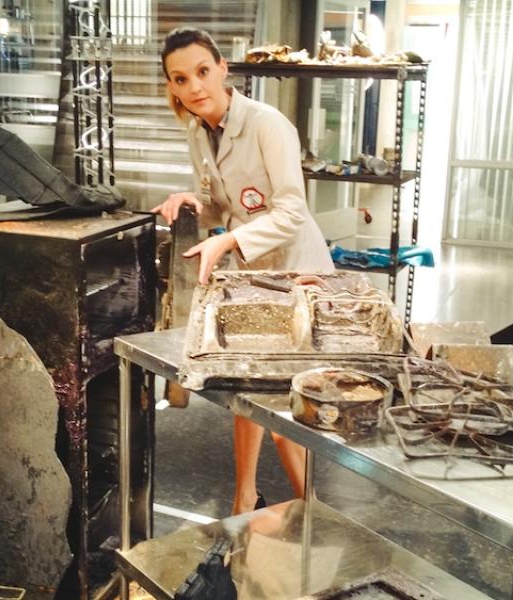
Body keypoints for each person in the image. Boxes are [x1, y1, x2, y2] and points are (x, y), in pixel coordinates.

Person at [152, 27, 334, 515]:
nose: (194, 86)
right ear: (172, 85)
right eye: (181, 78)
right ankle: (244, 497)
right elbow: (218, 206)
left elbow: (292, 211)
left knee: (289, 412)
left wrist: (231, 240)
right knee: (244, 392)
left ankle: (313, 512)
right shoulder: (198, 130)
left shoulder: (266, 123)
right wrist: (190, 203)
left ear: (223, 68)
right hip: (253, 274)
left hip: (299, 272)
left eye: (203, 71)